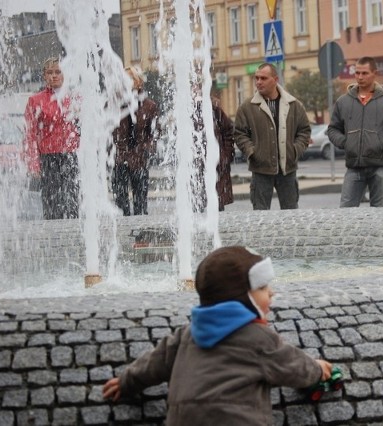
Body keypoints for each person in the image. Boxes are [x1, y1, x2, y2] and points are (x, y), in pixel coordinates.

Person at [103, 246, 332, 424]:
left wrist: (126, 382)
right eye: (262, 288)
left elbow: (154, 363)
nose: (271, 292)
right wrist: (317, 369)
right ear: (242, 297)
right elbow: (293, 366)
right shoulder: (258, 339)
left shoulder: (187, 334)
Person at [327, 56, 383, 207]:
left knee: (378, 215)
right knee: (346, 211)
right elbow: (333, 129)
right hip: (354, 166)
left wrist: (381, 144)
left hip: (380, 166)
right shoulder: (344, 102)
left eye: (364, 73)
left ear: (374, 73)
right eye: (357, 73)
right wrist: (345, 142)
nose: (360, 77)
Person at [234, 63, 311, 210]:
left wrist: (295, 150)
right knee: (260, 214)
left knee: (291, 214)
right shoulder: (247, 107)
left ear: (275, 80)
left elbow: (304, 131)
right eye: (256, 78)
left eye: (263, 78)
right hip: (261, 169)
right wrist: (252, 152)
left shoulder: (294, 105)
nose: (258, 82)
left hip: (287, 169)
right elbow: (239, 134)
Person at [24, 57, 80, 220]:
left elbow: (84, 128)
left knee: (72, 201)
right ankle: (53, 234)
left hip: (70, 155)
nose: (54, 76)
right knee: (52, 202)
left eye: (58, 72)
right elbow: (30, 135)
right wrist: (33, 163)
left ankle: (73, 234)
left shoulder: (75, 98)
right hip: (48, 157)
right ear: (44, 76)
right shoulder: (35, 101)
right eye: (50, 72)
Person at [112, 66, 158, 216]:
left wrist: (145, 149)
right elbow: (106, 130)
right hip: (119, 158)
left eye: (130, 78)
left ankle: (141, 236)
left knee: (140, 202)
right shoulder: (114, 105)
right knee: (120, 203)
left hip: (139, 159)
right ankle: (123, 234)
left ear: (138, 82)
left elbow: (154, 133)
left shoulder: (149, 106)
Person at [191, 98, 235, 212]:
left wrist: (225, 155)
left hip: (215, 166)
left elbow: (229, 131)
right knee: (195, 208)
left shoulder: (215, 110)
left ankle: (217, 228)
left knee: (216, 205)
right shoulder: (185, 110)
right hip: (194, 168)